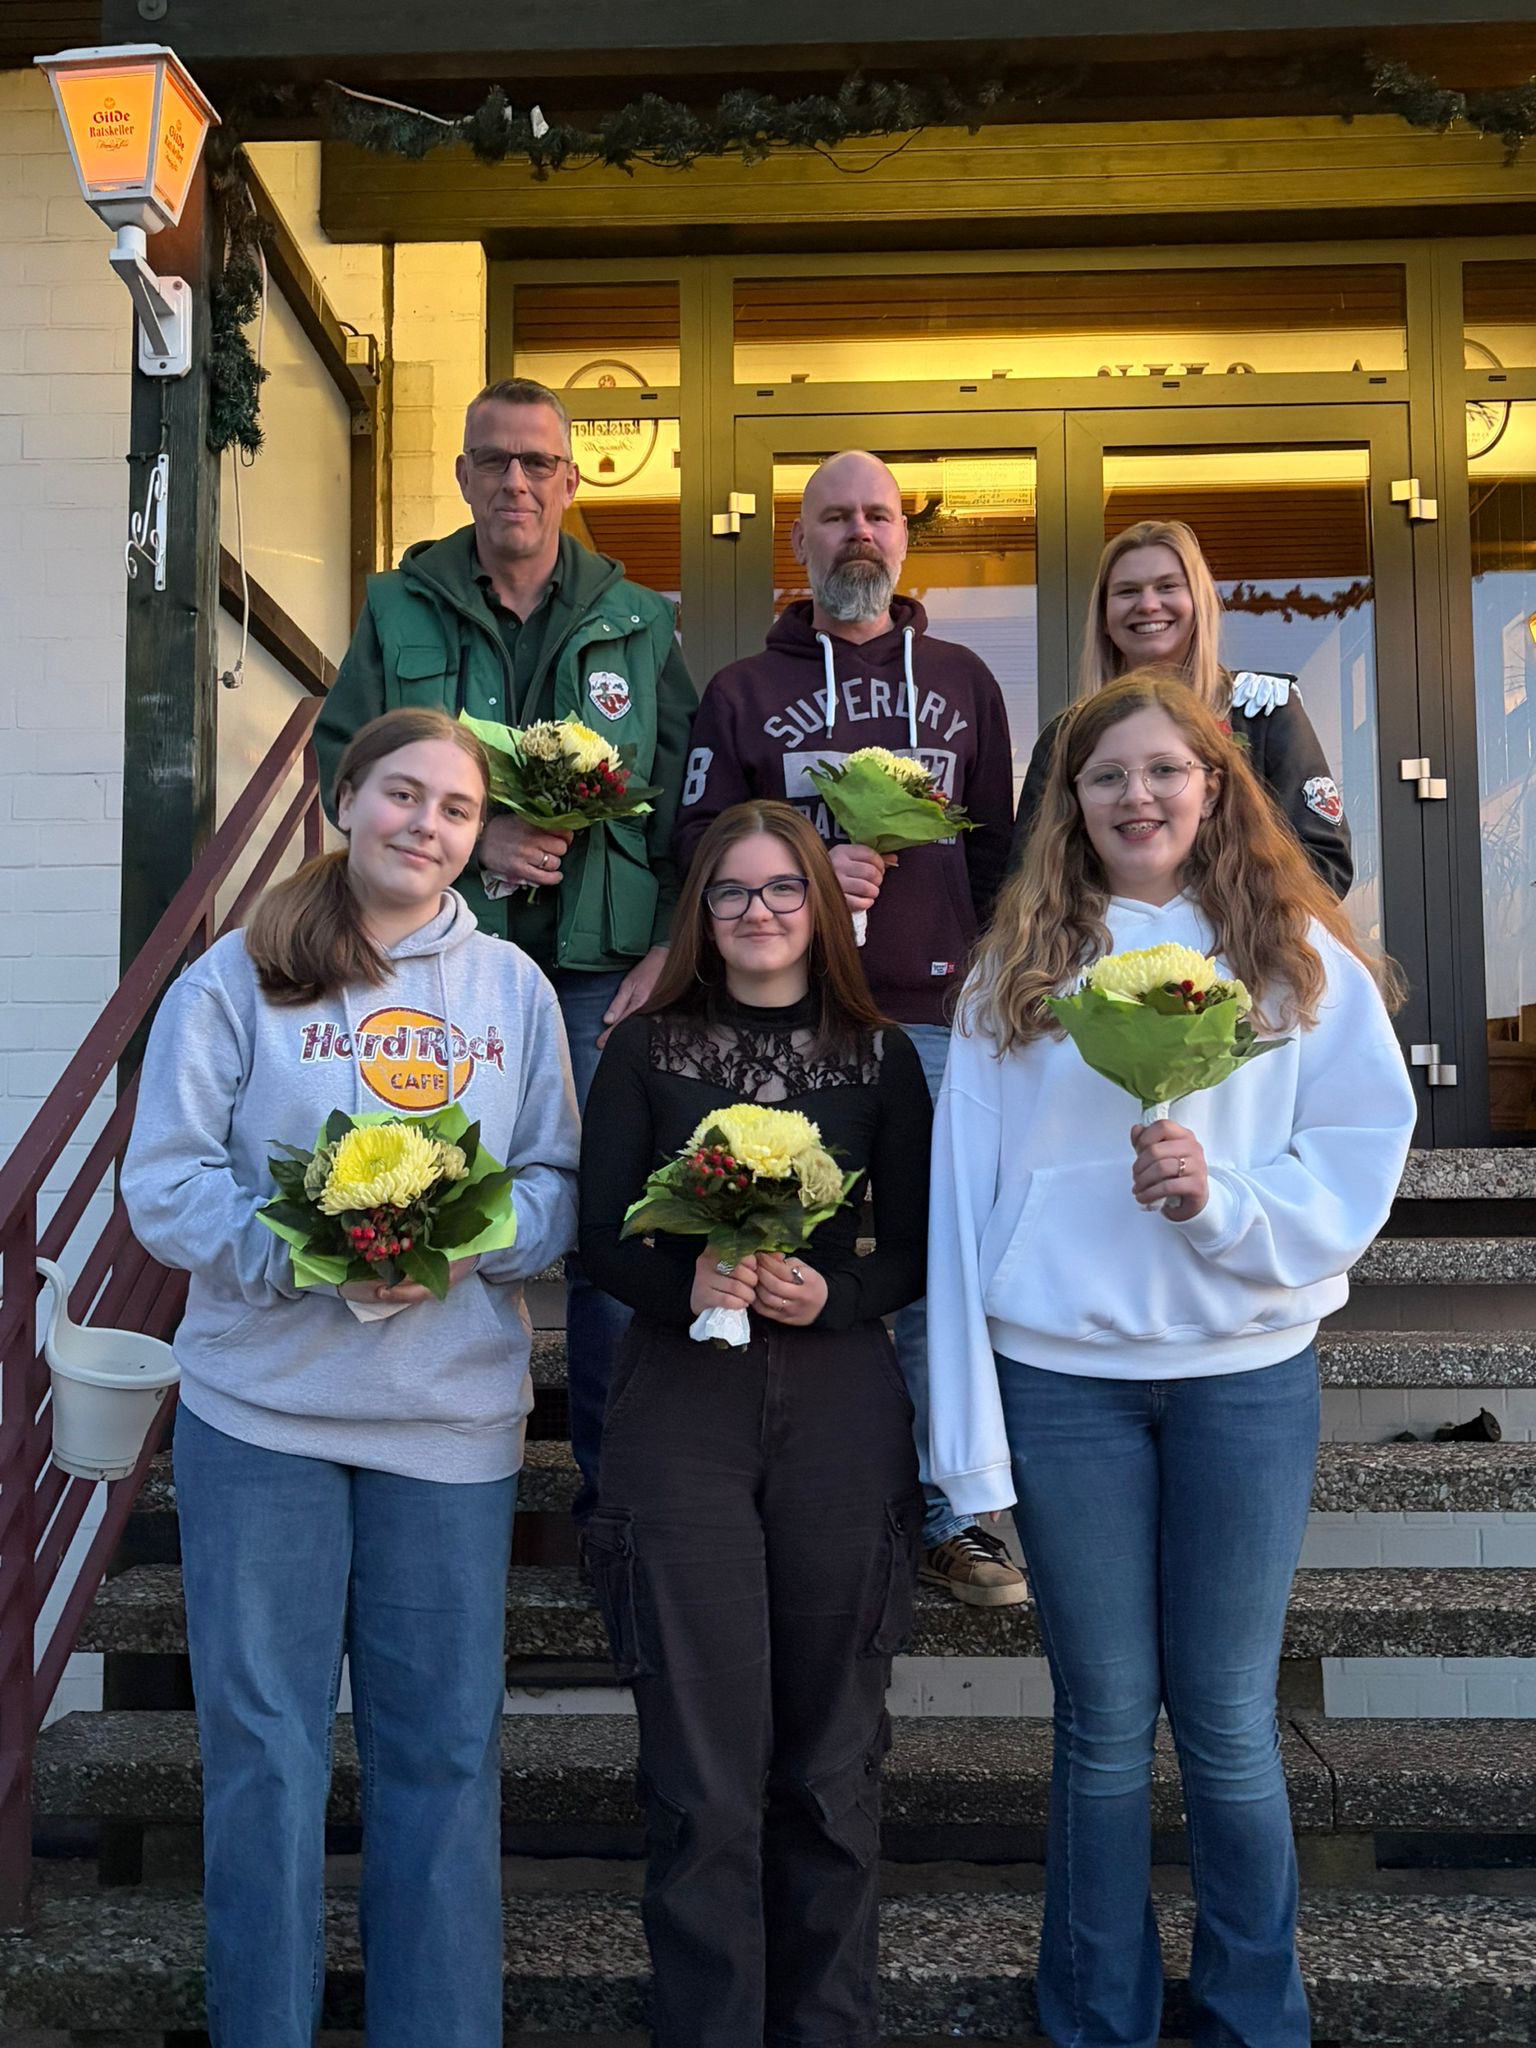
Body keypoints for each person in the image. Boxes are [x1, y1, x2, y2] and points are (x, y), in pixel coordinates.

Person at [926, 670, 1416, 2048]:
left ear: (1213, 785)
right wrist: (963, 1445)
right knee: (1100, 1722)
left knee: (1228, 1718)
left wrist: (1225, 1203)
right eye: (1106, 776)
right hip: (1063, 1379)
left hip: (1244, 1378)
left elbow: (1361, 1149)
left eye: (1163, 770)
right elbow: (961, 1205)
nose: (1136, 796)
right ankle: (1100, 2018)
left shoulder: (1294, 958)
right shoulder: (1017, 973)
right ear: (1070, 803)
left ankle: (1254, 2016)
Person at [122, 707, 582, 2048]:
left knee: (440, 1754)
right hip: (260, 1418)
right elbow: (165, 1184)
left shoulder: (511, 991)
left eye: (455, 807)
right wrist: (304, 1256)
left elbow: (556, 1185)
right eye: (403, 794)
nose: (425, 825)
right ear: (344, 798)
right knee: (264, 1755)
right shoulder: (234, 978)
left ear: (478, 835)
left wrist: (462, 1246)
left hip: (446, 1422)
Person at [579, 798, 931, 2048]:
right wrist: (685, 1282)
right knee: (704, 1774)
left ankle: (826, 2027)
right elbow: (596, 1237)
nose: (759, 910)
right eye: (731, 890)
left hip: (839, 1404)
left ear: (821, 905)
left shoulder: (883, 1057)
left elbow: (922, 1249)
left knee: (831, 1766)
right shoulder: (644, 1047)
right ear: (702, 910)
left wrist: (838, 1294)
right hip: (683, 1404)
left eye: (784, 887)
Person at [316, 375, 696, 1526]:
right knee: (422, 1184)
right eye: (495, 460)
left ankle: (616, 1501)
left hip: (597, 969)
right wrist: (476, 842)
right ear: (465, 475)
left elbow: (684, 797)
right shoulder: (399, 605)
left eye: (538, 461)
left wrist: (670, 946)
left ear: (570, 480)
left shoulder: (641, 618)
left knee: (606, 1215)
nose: (517, 480)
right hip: (440, 960)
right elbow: (341, 763)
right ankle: (410, 1453)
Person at [673, 450, 1024, 1610]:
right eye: (835, 517)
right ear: (800, 540)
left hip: (931, 1022)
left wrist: (999, 992)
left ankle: (946, 1516)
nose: (859, 533)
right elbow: (696, 848)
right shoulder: (739, 691)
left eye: (878, 515)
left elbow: (999, 858)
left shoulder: (965, 681)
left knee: (931, 1273)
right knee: (782, 1254)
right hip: (786, 1022)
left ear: (903, 538)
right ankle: (794, 1502)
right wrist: (806, 860)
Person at [1010, 518, 1353, 896]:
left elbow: (1324, 867)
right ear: (1104, 617)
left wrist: (1195, 914)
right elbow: (1028, 876)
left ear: (1199, 603)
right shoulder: (1066, 736)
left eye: (1168, 586)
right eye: (1127, 591)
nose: (1148, 604)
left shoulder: (1262, 711)